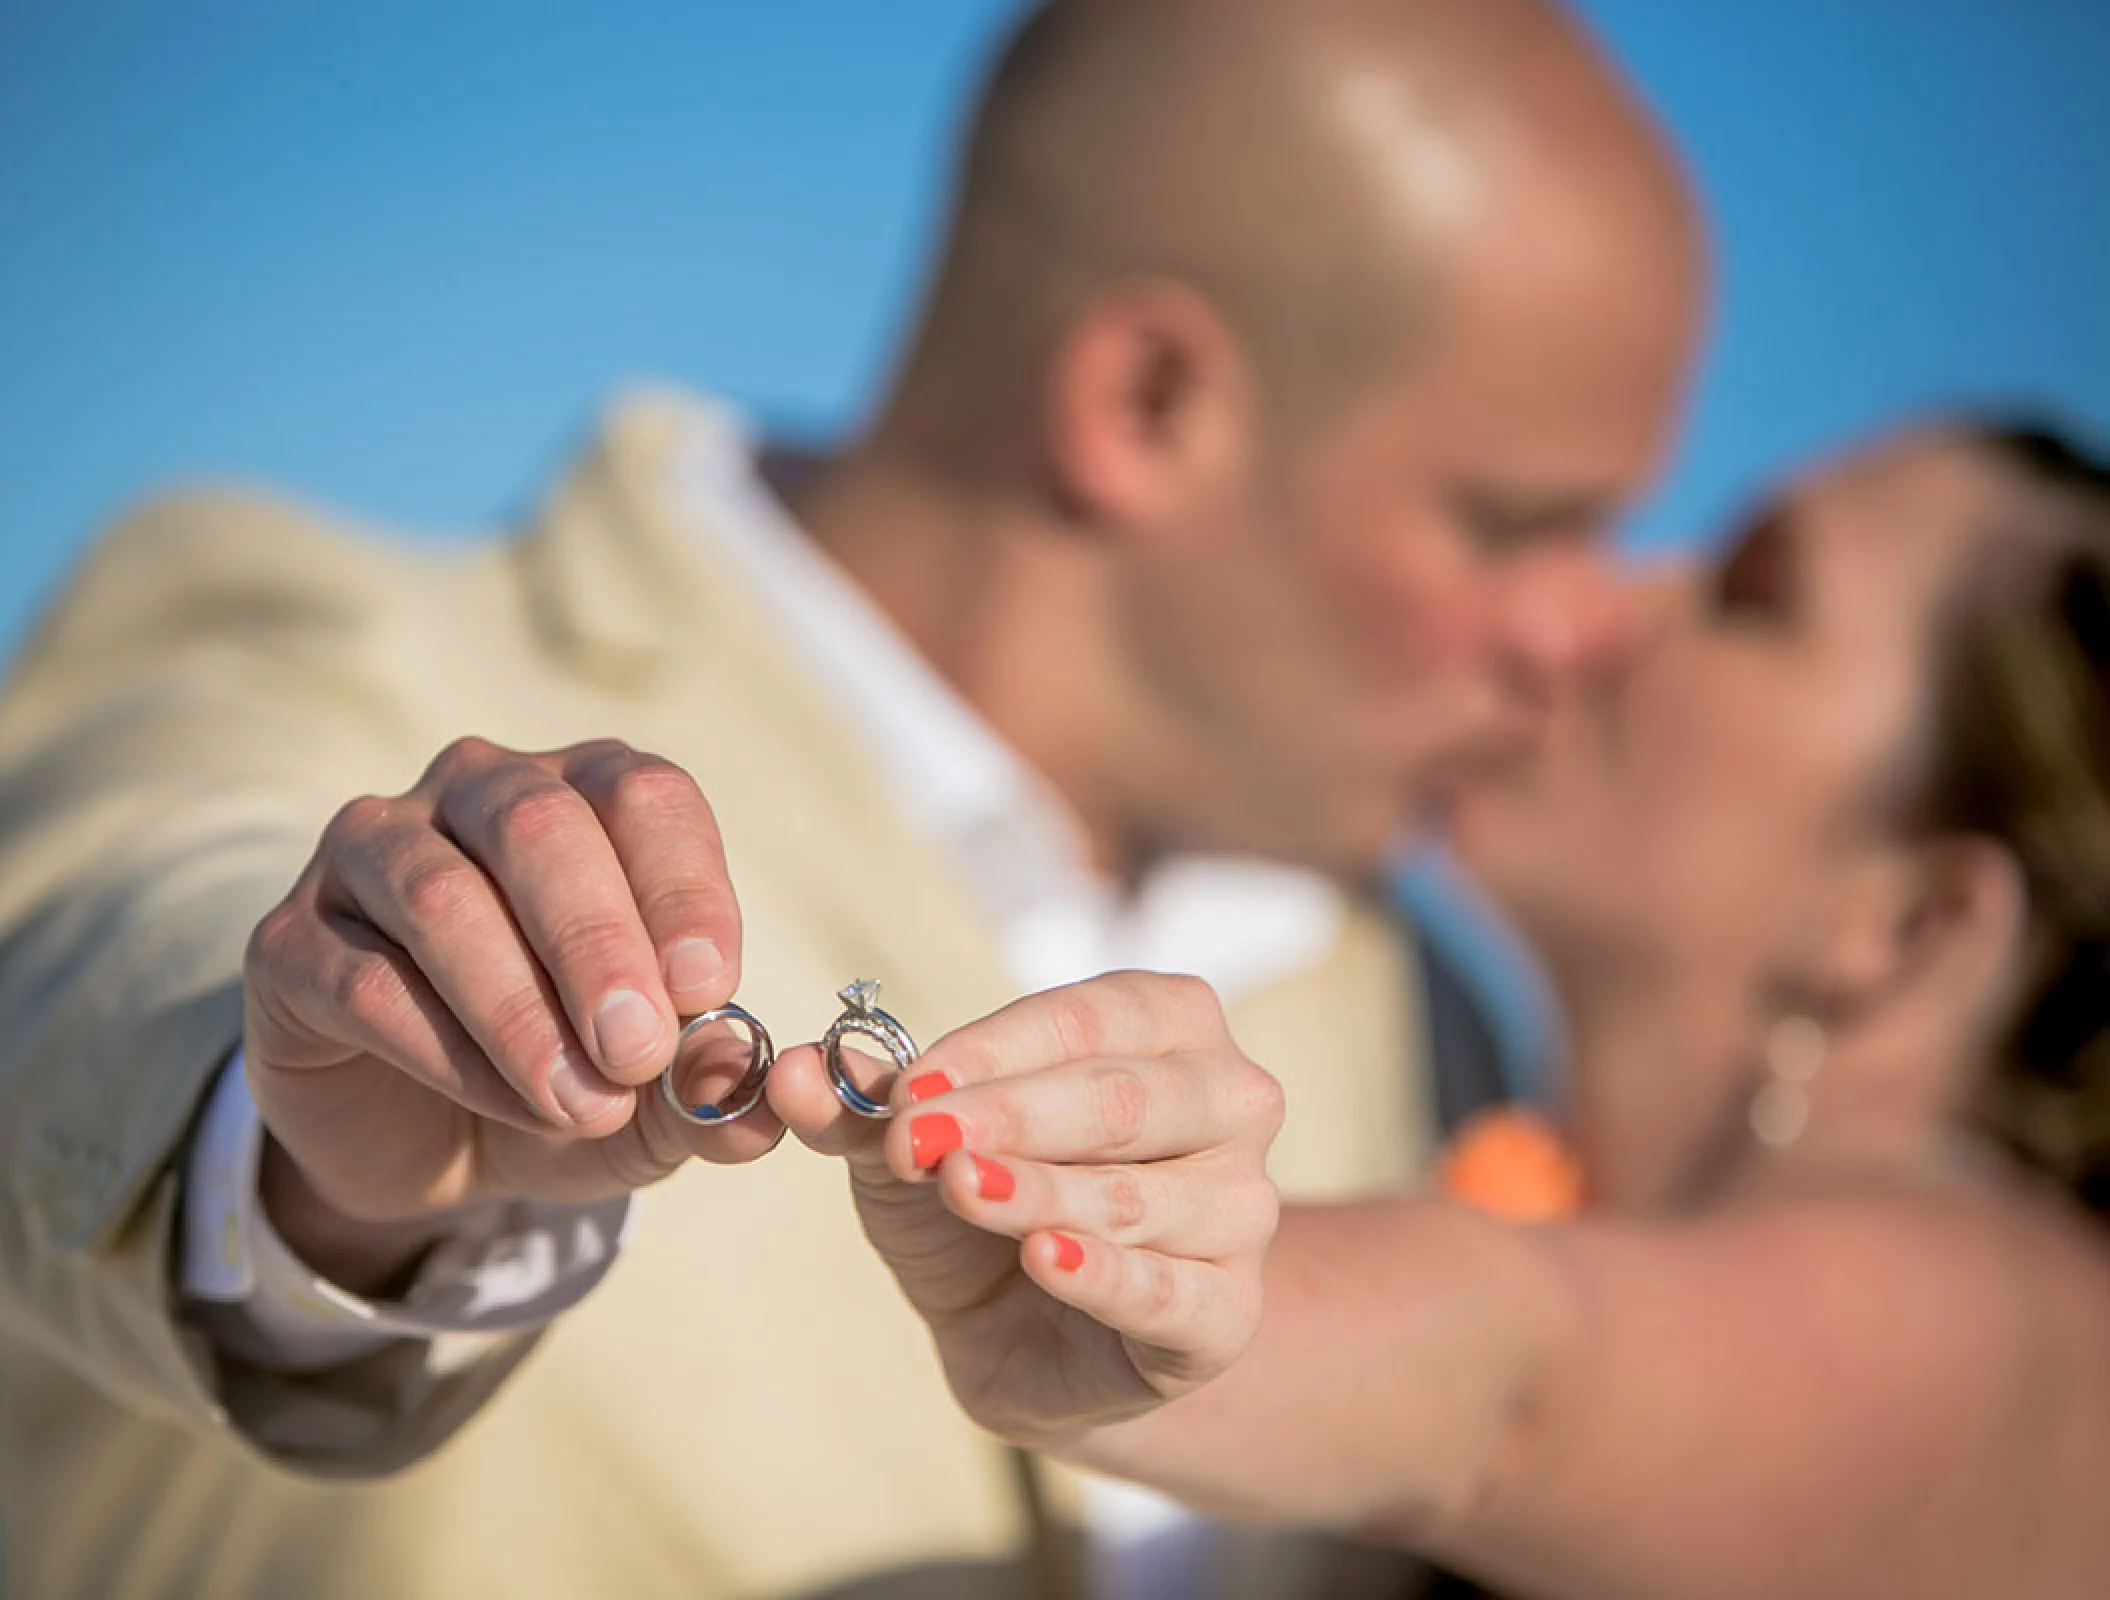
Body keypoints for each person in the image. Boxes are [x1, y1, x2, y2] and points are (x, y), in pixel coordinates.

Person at [0, 2, 1705, 1596]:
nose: (1594, 635)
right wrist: (300, 1147)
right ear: (1146, 404)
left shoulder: (1425, 1025)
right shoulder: (326, 646)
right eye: (1513, 524)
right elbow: (103, 942)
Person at [798, 420, 2110, 1600]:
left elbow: (1517, 1385)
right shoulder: (1444, 1073)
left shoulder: (2014, 1343)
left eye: (1747, 593)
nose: (1602, 606)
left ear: (1906, 923)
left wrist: (1162, 1296)